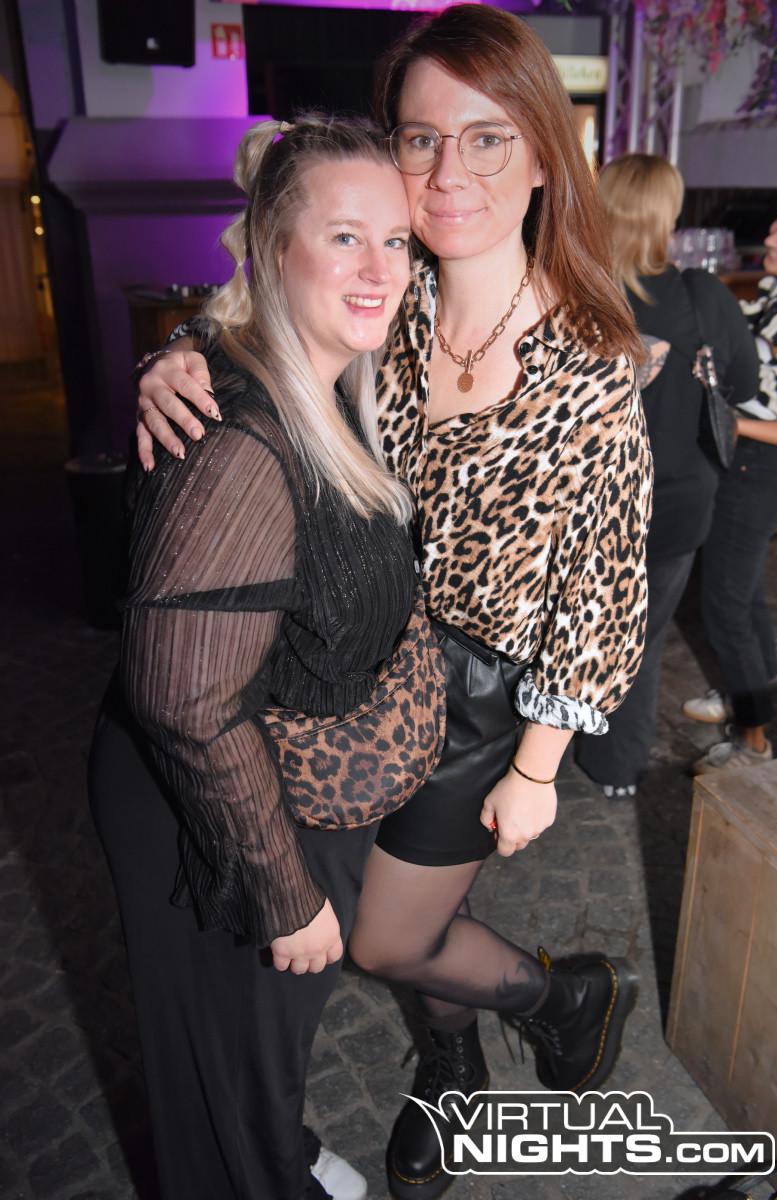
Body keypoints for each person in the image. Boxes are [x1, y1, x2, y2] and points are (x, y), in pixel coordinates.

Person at [132, 9, 652, 1199]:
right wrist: (180, 353)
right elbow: (265, 314)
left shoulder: (591, 367)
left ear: (542, 154)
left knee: (386, 935)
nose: (448, 171)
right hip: (355, 668)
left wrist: (537, 766)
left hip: (480, 701)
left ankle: (563, 996)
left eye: (487, 137)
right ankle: (452, 1058)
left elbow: (605, 593)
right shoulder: (392, 295)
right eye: (421, 138)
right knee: (372, 906)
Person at [88, 115, 444, 1200]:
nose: (380, 267)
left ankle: (276, 1151)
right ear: (273, 248)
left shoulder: (328, 378)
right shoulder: (245, 440)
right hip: (214, 795)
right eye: (344, 237)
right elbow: (184, 700)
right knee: (226, 1052)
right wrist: (284, 892)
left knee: (261, 1037)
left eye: (395, 240)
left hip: (285, 762)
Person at [573, 154, 759, 797]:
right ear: (666, 216)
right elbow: (744, 384)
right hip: (675, 501)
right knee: (642, 636)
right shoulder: (702, 295)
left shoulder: (569, 294)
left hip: (586, 500)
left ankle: (538, 742)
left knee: (573, 624)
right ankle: (615, 767)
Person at [686, 192, 777, 773]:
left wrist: (736, 424)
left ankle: (753, 740)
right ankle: (748, 691)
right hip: (751, 464)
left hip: (761, 468)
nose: (771, 241)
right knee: (745, 592)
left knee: (725, 604)